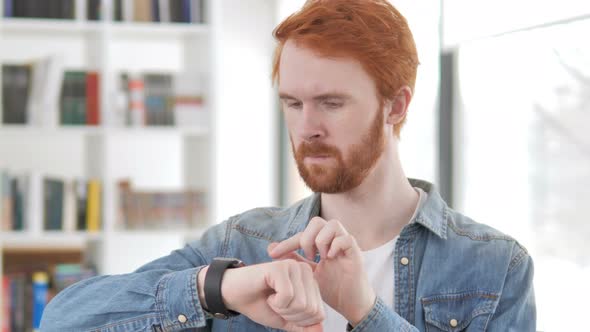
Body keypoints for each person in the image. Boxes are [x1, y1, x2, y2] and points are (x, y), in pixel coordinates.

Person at [41, 0, 536, 331]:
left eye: (332, 103)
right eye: (293, 103)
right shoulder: (242, 245)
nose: (307, 128)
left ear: (396, 106)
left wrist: (365, 312)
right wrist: (219, 287)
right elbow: (63, 320)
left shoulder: (495, 267)